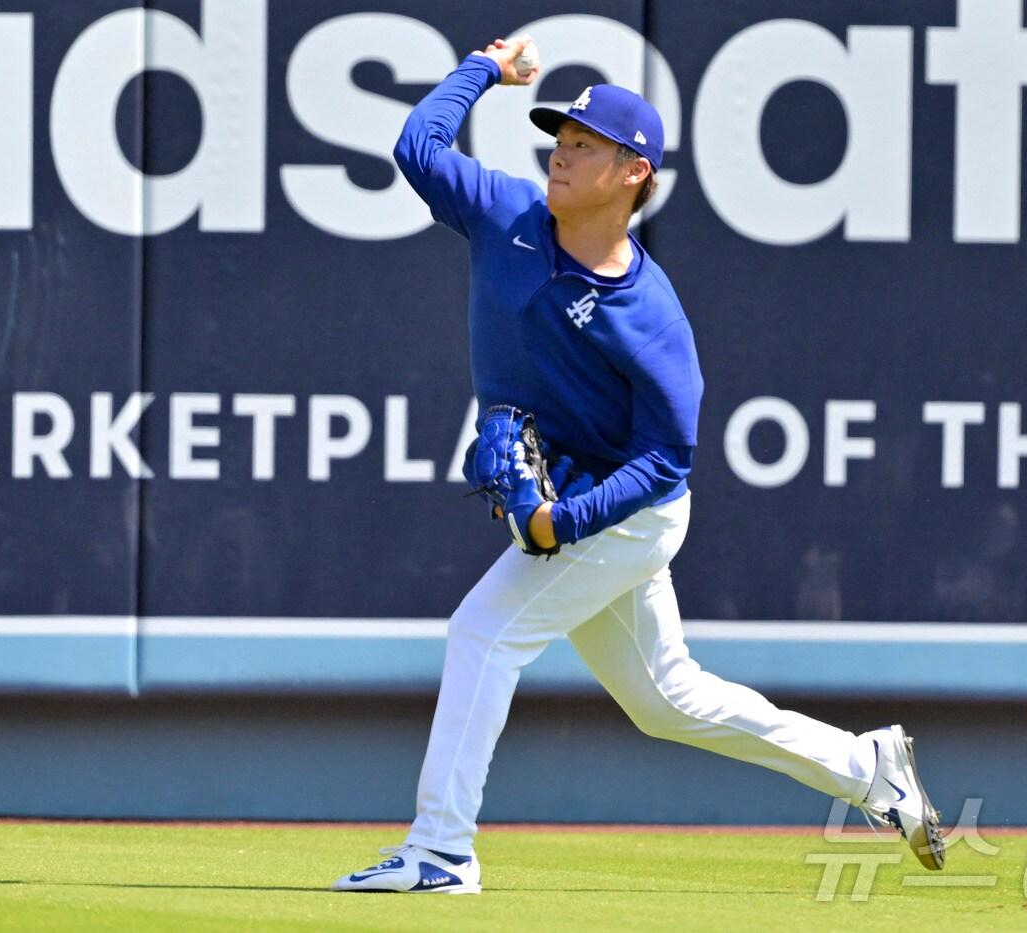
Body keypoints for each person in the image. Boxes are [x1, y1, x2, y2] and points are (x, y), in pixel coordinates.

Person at [331, 36, 945, 895]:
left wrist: (563, 521)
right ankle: (867, 766)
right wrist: (483, 71)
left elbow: (668, 460)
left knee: (482, 632)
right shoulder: (504, 213)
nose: (561, 153)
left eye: (584, 146)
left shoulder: (649, 315)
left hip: (628, 510)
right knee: (669, 701)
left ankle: (440, 851)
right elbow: (417, 148)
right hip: (588, 504)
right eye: (559, 138)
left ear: (633, 174)